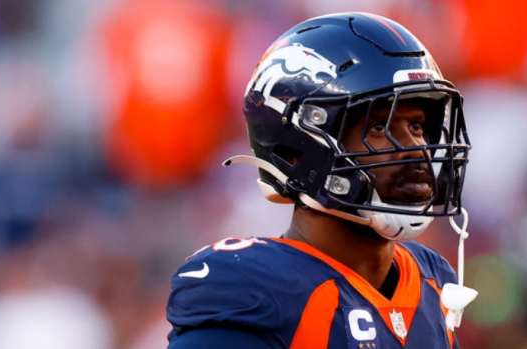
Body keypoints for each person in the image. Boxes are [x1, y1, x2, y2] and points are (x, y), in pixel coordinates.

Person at [166, 12, 477, 349]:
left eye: (416, 126)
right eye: (379, 127)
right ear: (297, 150)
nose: (415, 149)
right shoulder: (260, 290)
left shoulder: (429, 281)